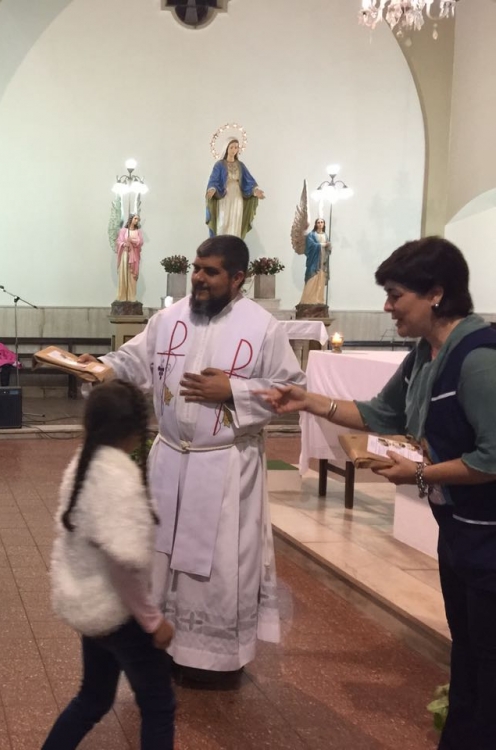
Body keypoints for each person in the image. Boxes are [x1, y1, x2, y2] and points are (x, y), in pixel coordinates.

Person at [265, 237, 496, 749]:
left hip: (489, 538)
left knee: (488, 668)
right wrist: (308, 401)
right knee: (468, 658)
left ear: (436, 293)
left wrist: (421, 475)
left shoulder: (478, 358)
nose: (387, 306)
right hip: (460, 533)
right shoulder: (426, 355)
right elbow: (381, 413)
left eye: (395, 295)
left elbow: (492, 457)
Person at [80, 235, 305, 687]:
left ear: (238, 278)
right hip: (170, 461)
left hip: (224, 466)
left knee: (218, 566)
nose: (198, 278)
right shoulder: (169, 318)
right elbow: (134, 361)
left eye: (210, 271)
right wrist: (102, 368)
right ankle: (163, 646)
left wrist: (234, 391)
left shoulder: (263, 328)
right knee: (160, 559)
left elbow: (292, 391)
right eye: (196, 268)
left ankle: (214, 660)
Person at [43, 380, 175, 750]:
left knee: (93, 698)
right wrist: (153, 621)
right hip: (121, 615)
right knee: (159, 705)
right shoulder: (119, 479)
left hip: (90, 604)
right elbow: (124, 564)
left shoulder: (83, 464)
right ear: (135, 430)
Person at [205, 139, 265, 239]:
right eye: (231, 147)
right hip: (225, 196)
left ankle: (234, 243)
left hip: (237, 195)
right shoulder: (219, 165)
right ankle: (221, 244)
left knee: (235, 219)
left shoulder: (240, 165)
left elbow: (249, 180)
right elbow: (214, 179)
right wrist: (212, 189)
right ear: (226, 148)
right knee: (223, 220)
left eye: (236, 147)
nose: (234, 150)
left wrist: (255, 190)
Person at [297, 218, 330, 307]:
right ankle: (307, 301)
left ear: (324, 224)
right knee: (311, 280)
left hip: (322, 262)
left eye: (322, 222)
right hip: (314, 262)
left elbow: (327, 250)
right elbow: (310, 247)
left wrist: (328, 247)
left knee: (320, 281)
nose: (320, 224)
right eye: (318, 222)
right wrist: (322, 245)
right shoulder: (311, 235)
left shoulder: (325, 235)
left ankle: (319, 300)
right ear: (315, 224)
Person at [115, 214, 144, 303]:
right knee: (124, 274)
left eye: (138, 219)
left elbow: (140, 242)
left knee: (132, 276)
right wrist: (124, 244)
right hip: (125, 254)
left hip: (134, 256)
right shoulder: (124, 231)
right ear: (131, 219)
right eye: (135, 218)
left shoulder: (138, 231)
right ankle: (123, 296)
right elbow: (118, 241)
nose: (136, 220)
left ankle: (131, 296)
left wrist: (132, 240)